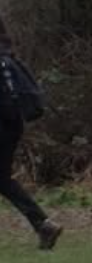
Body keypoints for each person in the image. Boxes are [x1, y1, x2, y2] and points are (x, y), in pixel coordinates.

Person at [0, 16, 61, 250]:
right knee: (2, 179)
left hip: (4, 123)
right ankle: (43, 225)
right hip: (13, 123)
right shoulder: (7, 54)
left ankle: (43, 224)